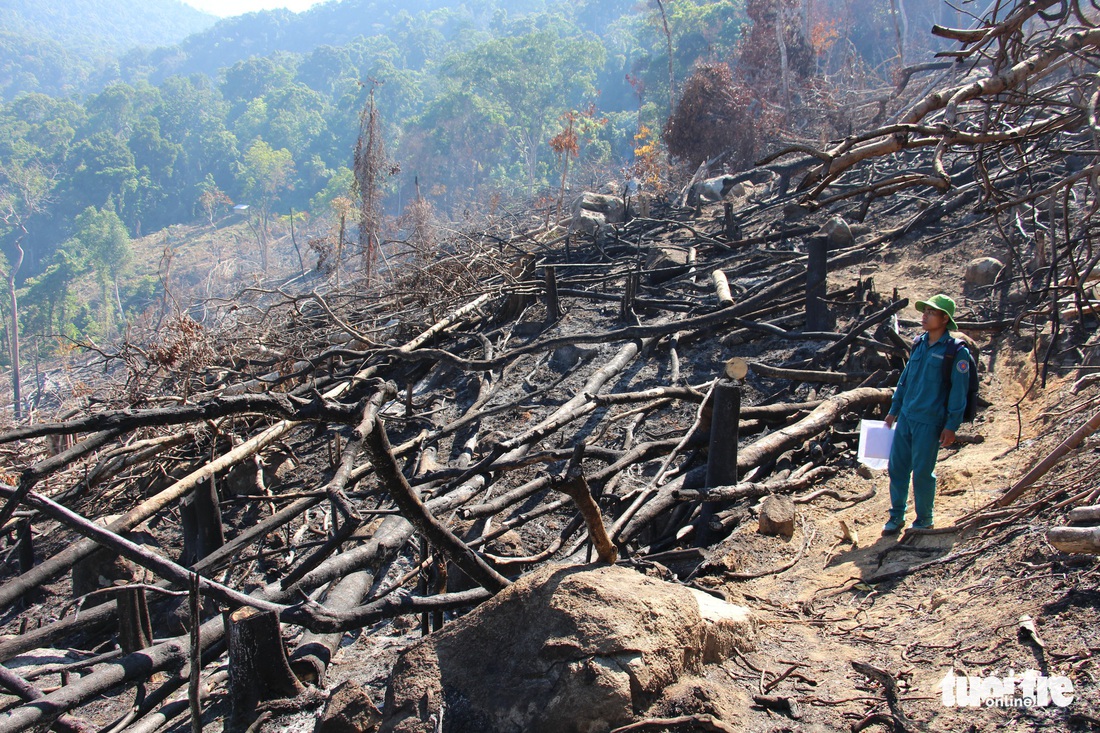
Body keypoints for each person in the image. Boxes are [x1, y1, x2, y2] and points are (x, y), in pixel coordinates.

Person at [882, 294, 971, 534]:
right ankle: (896, 516)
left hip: (930, 421)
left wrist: (951, 425)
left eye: (931, 313)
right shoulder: (919, 343)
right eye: (925, 311)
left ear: (944, 319)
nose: (925, 316)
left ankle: (924, 519)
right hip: (907, 417)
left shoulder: (956, 352)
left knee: (922, 472)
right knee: (897, 469)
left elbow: (958, 394)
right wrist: (893, 411)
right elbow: (905, 380)